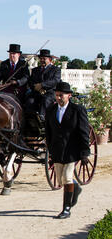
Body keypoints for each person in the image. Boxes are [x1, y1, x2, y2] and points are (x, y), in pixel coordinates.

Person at [45, 81, 90, 219]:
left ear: (69, 95)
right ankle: (75, 188)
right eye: (57, 95)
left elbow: (83, 132)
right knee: (61, 179)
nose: (58, 98)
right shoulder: (51, 110)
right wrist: (50, 151)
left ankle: (66, 209)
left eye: (61, 95)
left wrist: (84, 153)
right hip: (58, 150)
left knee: (66, 177)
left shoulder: (78, 110)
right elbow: (48, 132)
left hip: (72, 150)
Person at [25, 49, 61, 118]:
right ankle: (31, 119)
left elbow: (55, 80)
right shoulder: (35, 70)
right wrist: (37, 88)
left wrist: (42, 85)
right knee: (30, 101)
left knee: (45, 100)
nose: (42, 60)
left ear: (50, 60)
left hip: (50, 92)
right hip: (37, 92)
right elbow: (31, 81)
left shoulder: (55, 69)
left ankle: (42, 118)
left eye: (44, 58)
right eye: (40, 59)